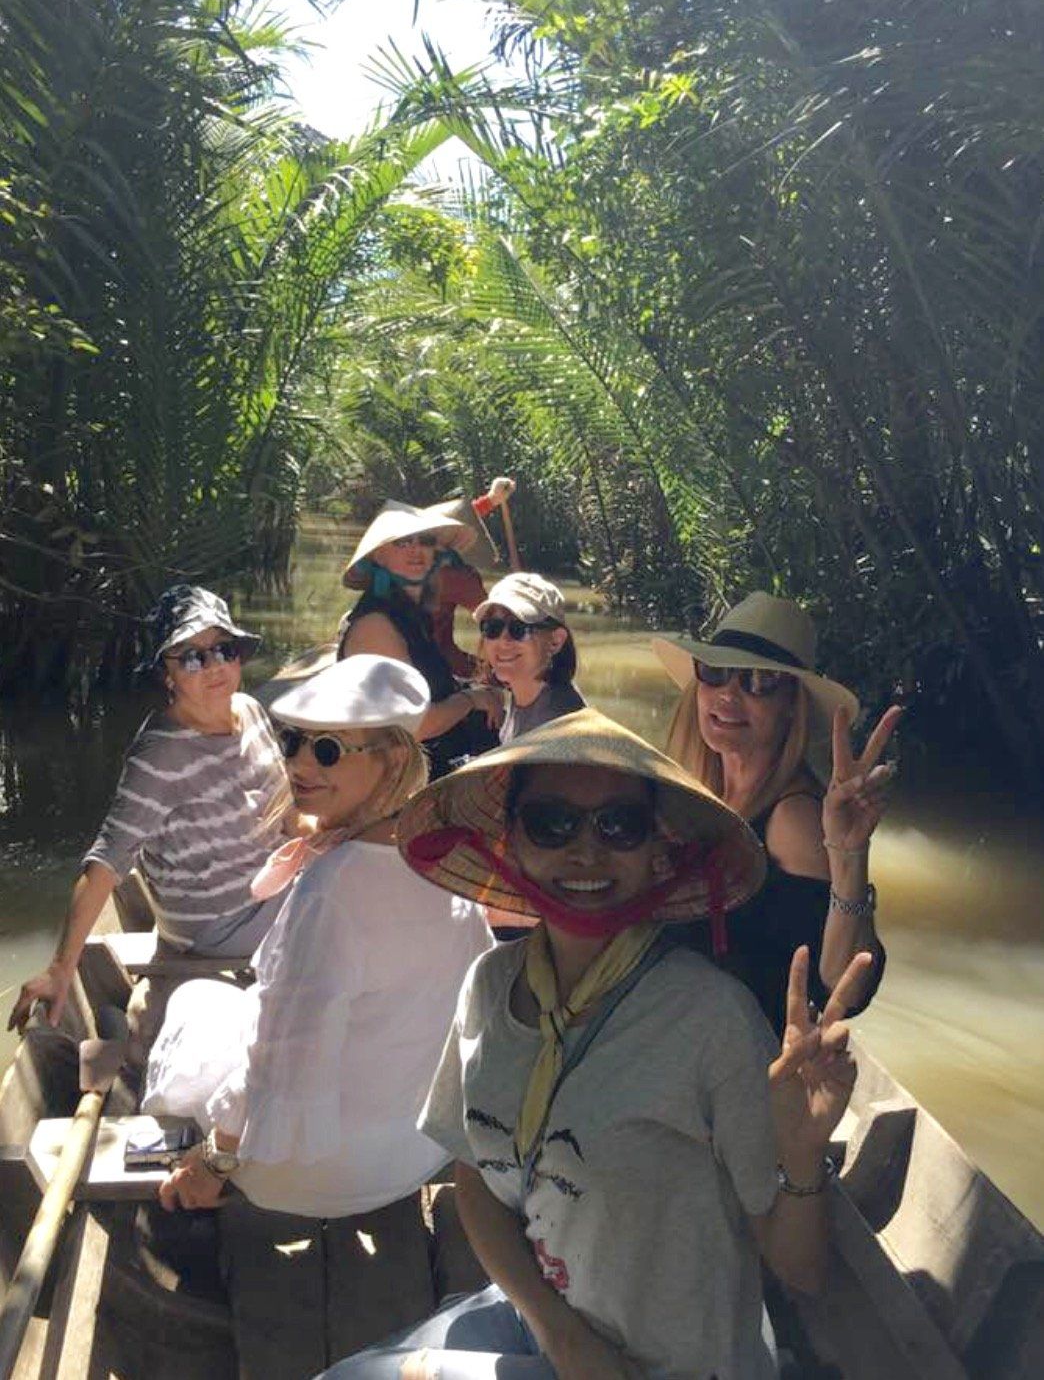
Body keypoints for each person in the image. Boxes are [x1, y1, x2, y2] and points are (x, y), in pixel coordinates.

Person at [316, 707, 872, 1380]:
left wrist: (802, 1152)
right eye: (552, 823)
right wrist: (561, 1336)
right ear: (512, 844)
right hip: (544, 1319)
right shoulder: (491, 984)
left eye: (620, 825)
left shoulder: (710, 1017)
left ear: (658, 853)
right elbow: (477, 1178)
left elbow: (801, 1270)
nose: (586, 851)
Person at [144, 655, 494, 1377]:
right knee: (237, 1009)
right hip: (407, 1157)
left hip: (310, 1175)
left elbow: (280, 1066)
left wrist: (214, 1163)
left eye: (328, 749)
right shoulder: (446, 860)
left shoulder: (328, 891)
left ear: (391, 760)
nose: (300, 763)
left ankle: (184, 1137)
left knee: (194, 1002)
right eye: (294, 740)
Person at [8, 585, 293, 1060]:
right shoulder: (159, 755)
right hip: (220, 923)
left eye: (224, 649)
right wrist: (60, 968)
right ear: (166, 674)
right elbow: (106, 860)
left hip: (272, 885)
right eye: (192, 657)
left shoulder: (248, 710)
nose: (215, 666)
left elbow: (285, 808)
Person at [652, 591, 900, 1036]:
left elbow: (842, 987)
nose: (728, 695)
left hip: (733, 1055)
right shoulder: (699, 792)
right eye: (716, 672)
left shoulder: (793, 819)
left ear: (791, 706)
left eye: (759, 680)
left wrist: (850, 854)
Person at [336, 501, 502, 778]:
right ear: (378, 555)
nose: (416, 549)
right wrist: (472, 699)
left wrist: (479, 689)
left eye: (425, 541)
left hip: (430, 764)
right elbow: (414, 725)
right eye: (402, 542)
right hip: (397, 780)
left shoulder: (412, 613)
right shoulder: (376, 626)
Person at [475, 573, 585, 743]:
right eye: (492, 628)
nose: (503, 640)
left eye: (519, 628)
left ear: (555, 641)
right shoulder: (523, 694)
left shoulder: (556, 724)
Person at [426, 477, 515, 678]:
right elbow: (495, 618)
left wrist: (491, 499)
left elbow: (461, 518)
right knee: (498, 678)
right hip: (432, 658)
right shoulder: (455, 576)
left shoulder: (408, 558)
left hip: (407, 652)